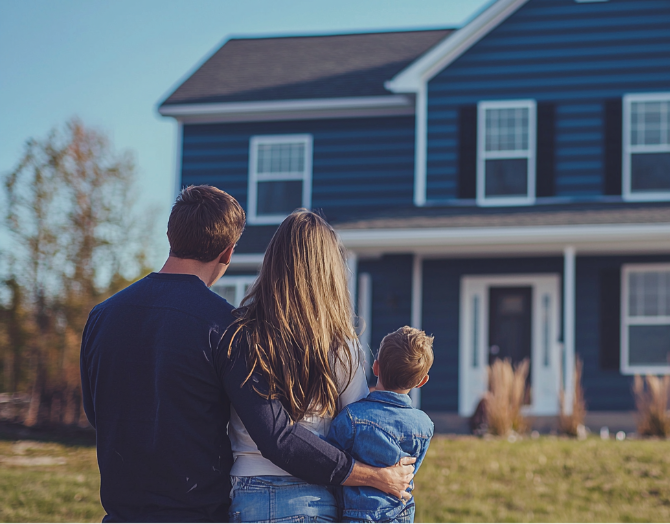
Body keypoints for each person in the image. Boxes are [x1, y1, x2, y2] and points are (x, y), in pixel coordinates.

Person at [80, 186, 413, 523]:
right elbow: (276, 434)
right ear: (228, 252)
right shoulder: (225, 328)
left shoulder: (102, 316)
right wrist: (372, 476)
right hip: (197, 511)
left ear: (170, 234)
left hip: (120, 512)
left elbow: (97, 414)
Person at [227, 208, 393, 522]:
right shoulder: (339, 344)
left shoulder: (241, 334)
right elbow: (360, 426)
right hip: (310, 501)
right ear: (329, 271)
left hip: (246, 497)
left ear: (273, 263)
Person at [328, 326, 435, 524]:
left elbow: (330, 463)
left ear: (375, 367)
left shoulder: (351, 417)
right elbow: (409, 472)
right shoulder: (425, 426)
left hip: (356, 514)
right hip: (400, 513)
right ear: (422, 381)